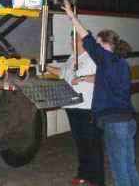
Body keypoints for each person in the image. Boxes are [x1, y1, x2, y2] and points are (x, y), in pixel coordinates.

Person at [61, 0, 139, 186]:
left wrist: (72, 17)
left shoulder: (106, 61)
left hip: (115, 123)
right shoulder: (120, 63)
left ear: (106, 45)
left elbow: (87, 39)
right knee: (129, 165)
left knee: (119, 169)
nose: (95, 48)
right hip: (127, 120)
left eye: (99, 44)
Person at [45, 33, 105, 186]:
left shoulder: (93, 57)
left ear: (84, 42)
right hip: (72, 107)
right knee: (81, 143)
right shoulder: (72, 58)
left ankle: (97, 180)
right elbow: (63, 74)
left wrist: (84, 78)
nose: (72, 42)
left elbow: (104, 76)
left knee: (92, 144)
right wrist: (44, 67)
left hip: (88, 108)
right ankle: (83, 173)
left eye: (75, 39)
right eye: (71, 39)